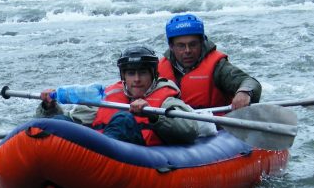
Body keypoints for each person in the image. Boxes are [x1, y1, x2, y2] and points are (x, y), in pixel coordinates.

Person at [37, 44, 199, 146]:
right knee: (58, 123)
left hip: (134, 158)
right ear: (123, 76)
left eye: (142, 73)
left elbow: (189, 130)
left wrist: (154, 116)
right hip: (94, 156)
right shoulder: (107, 96)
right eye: (130, 73)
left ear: (153, 75)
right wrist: (49, 107)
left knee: (123, 119)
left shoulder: (166, 99)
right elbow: (73, 122)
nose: (136, 79)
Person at [158, 13, 261, 110]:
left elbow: (250, 82)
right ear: (171, 46)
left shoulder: (218, 66)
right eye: (181, 46)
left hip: (214, 126)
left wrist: (245, 92)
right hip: (170, 125)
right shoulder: (156, 69)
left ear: (202, 42)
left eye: (193, 44)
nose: (187, 50)